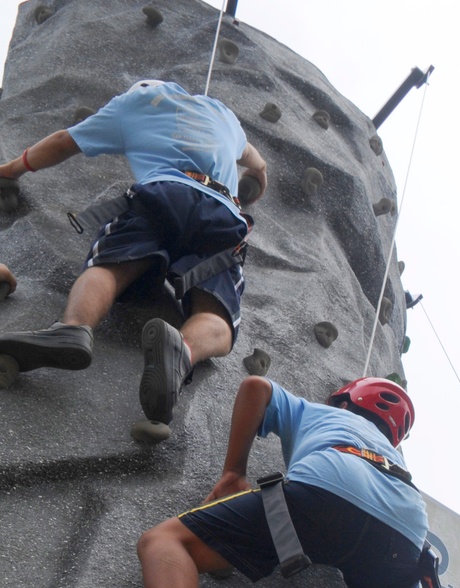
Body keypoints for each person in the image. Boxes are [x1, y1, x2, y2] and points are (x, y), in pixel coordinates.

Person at [54, 374, 449, 588]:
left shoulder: (327, 414)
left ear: (344, 399)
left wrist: (233, 472)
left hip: (328, 489)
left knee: (168, 541)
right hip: (407, 524)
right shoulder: (394, 456)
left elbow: (256, 387)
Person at [0, 79, 267, 425]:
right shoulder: (224, 116)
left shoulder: (136, 102)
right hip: (222, 212)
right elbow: (257, 163)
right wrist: (256, 179)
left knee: (111, 264)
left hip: (162, 195)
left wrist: (10, 170)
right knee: (218, 309)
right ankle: (183, 351)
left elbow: (64, 142)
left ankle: (74, 327)